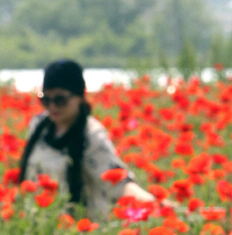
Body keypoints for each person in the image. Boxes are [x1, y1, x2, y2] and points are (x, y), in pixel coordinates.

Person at [19, 59, 154, 220]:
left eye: (60, 99)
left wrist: (153, 203)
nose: (52, 106)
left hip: (78, 228)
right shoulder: (38, 126)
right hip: (39, 222)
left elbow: (117, 181)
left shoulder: (91, 135)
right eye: (45, 99)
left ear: (79, 97)